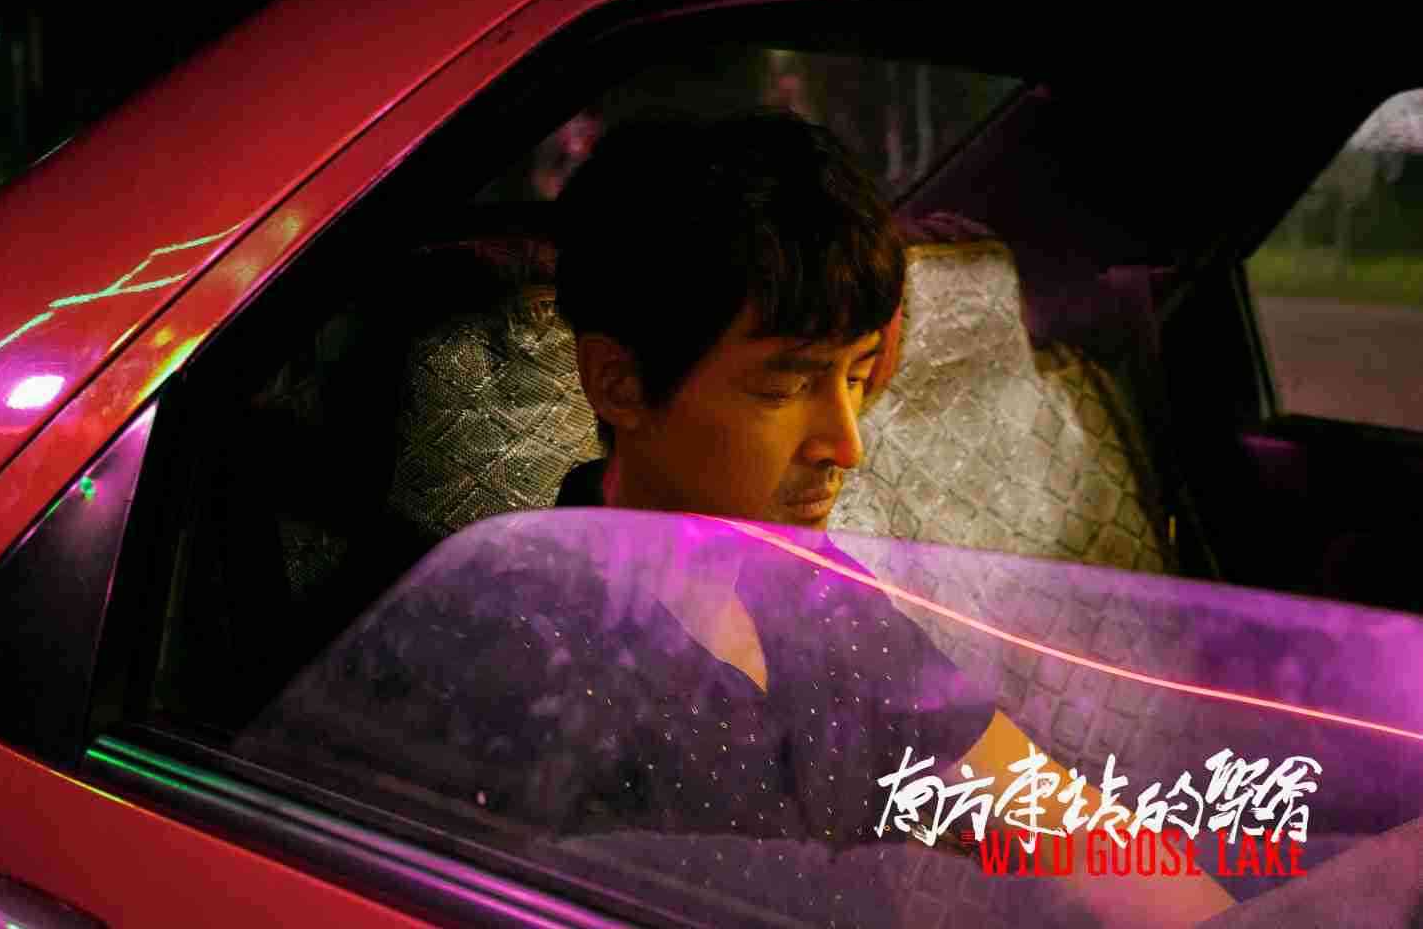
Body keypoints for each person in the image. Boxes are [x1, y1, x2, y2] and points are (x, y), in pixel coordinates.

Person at [238, 111, 1236, 927]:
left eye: (857, 376)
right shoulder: (503, 654)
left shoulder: (818, 596)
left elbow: (1053, 818)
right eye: (784, 386)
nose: (845, 442)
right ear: (619, 383)